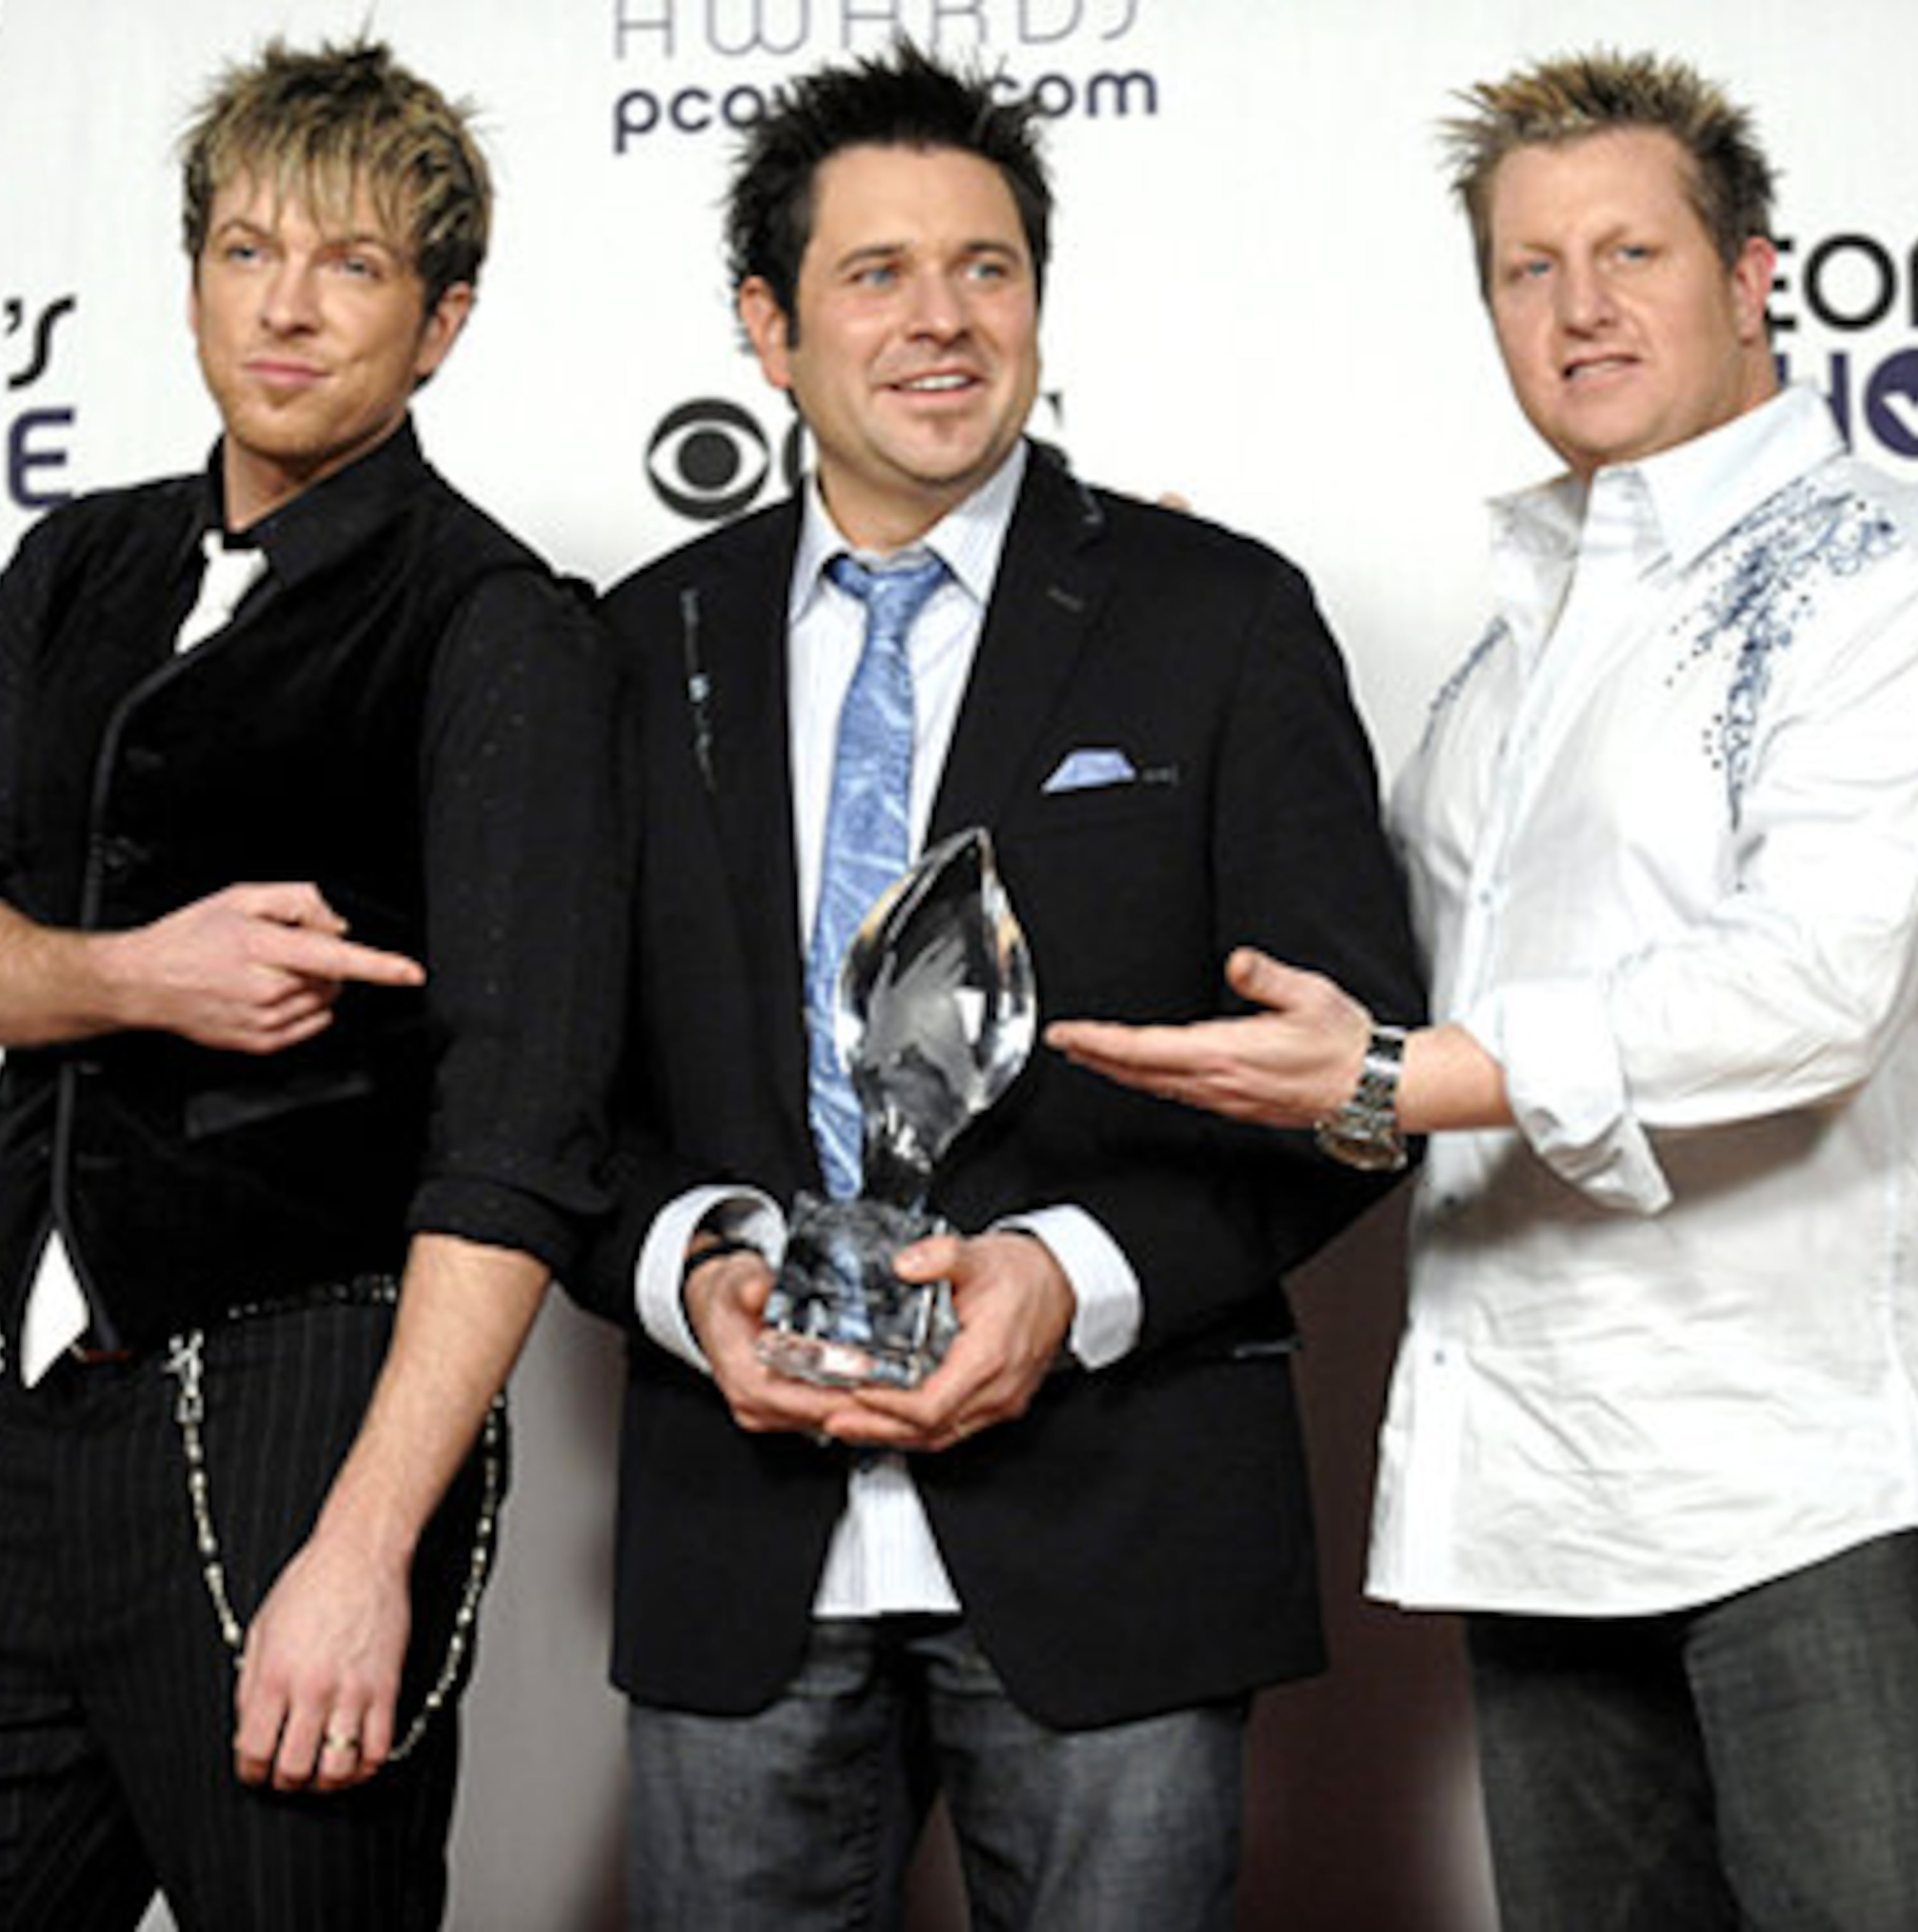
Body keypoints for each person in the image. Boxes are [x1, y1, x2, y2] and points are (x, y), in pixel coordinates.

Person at [1052, 48, 1918, 1932]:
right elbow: (1381, 981)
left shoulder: (1903, 579)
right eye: (1529, 268)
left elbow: (1811, 987)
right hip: (1547, 1491)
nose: (1580, 306)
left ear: (1756, 273)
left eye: (1630, 252)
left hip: (1820, 1477)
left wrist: (1403, 1078)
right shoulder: (1521, 649)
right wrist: (1156, 677)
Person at [580, 42, 1423, 1931]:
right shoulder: (632, 651)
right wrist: (696, 1263)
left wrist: (1071, 1277)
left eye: (987, 267)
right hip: (741, 1532)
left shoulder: (1221, 618)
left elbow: (1361, 1085)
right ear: (767, 323)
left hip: (1115, 1521)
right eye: (876, 273)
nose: (942, 321)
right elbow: (553, 1095)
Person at [0, 39, 618, 1930]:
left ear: (440, 324)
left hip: (305, 1406)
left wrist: (366, 1544)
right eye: (247, 247)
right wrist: (136, 975)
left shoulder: (491, 620)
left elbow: (518, 1131)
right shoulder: (78, 560)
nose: (284, 303)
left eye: (350, 265)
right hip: (40, 1419)